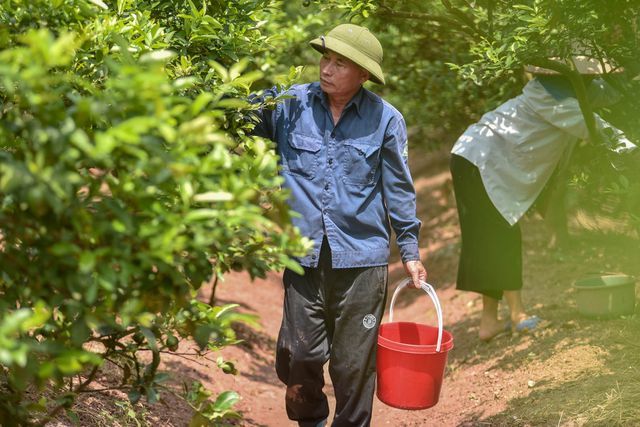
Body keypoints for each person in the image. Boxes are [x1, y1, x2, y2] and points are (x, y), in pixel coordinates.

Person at [252, 24, 427, 426]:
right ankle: (309, 421)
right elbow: (233, 115)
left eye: (340, 63)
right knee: (300, 357)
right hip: (303, 254)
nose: (327, 69)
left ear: (363, 74)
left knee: (353, 368)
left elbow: (398, 189)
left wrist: (410, 251)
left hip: (362, 260)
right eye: (325, 59)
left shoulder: (385, 119)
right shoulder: (288, 104)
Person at [449, 57, 636, 342]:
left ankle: (489, 321)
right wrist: (630, 148)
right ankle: (517, 315)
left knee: (491, 238)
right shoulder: (548, 94)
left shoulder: (570, 86)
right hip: (480, 160)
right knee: (500, 237)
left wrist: (626, 69)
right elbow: (590, 123)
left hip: (477, 159)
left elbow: (606, 93)